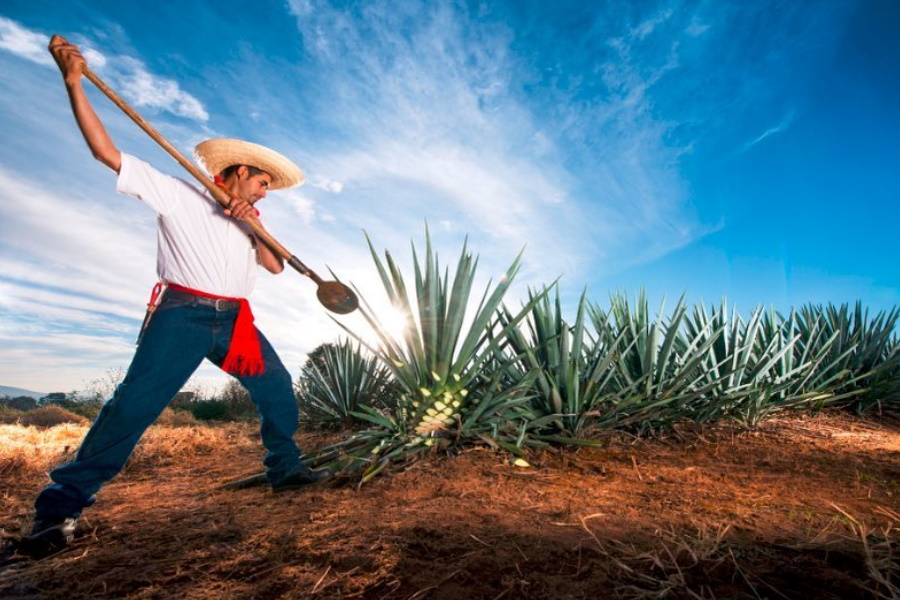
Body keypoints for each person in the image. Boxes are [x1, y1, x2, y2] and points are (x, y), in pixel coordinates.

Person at [21, 36, 331, 558]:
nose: (264, 191)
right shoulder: (178, 193)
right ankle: (59, 510)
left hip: (235, 321)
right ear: (235, 171)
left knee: (276, 388)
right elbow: (105, 152)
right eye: (260, 182)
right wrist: (75, 84)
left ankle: (286, 469)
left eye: (269, 188)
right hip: (182, 315)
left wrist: (253, 224)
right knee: (132, 408)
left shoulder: (252, 222)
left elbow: (276, 266)